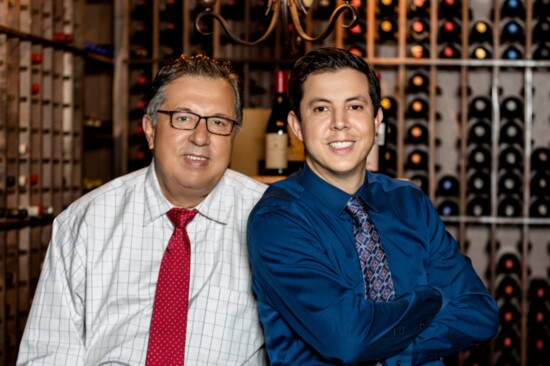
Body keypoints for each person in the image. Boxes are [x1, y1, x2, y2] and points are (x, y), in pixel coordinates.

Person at [247, 47, 499, 365]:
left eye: (355, 106)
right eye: (322, 109)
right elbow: (348, 339)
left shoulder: (410, 202)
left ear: (376, 120)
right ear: (297, 125)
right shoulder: (278, 218)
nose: (340, 123)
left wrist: (385, 344)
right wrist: (433, 299)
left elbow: (481, 313)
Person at [18, 54, 268, 365]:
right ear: (150, 129)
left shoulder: (272, 219)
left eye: (219, 122)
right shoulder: (85, 222)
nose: (200, 138)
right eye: (183, 117)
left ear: (232, 135)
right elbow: (49, 355)